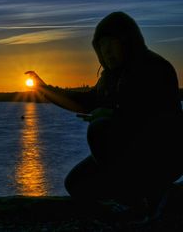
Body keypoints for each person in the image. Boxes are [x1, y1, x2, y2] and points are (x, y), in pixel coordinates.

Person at [26, 11, 183, 219]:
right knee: (76, 184)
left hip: (162, 155)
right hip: (129, 155)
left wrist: (113, 115)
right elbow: (84, 102)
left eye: (112, 43)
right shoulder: (109, 78)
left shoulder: (155, 68)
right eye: (101, 45)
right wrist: (45, 90)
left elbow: (159, 121)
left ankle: (146, 198)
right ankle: (124, 206)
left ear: (128, 42)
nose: (106, 50)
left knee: (99, 129)